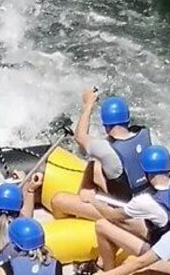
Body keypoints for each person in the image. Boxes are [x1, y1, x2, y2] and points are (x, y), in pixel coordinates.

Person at [50, 88, 155, 220]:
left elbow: (79, 136)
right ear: (127, 120)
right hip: (148, 201)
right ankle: (85, 194)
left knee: (58, 200)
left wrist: (88, 104)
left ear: (105, 126)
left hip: (125, 214)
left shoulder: (106, 150)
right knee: (95, 166)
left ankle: (72, 224)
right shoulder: (148, 135)